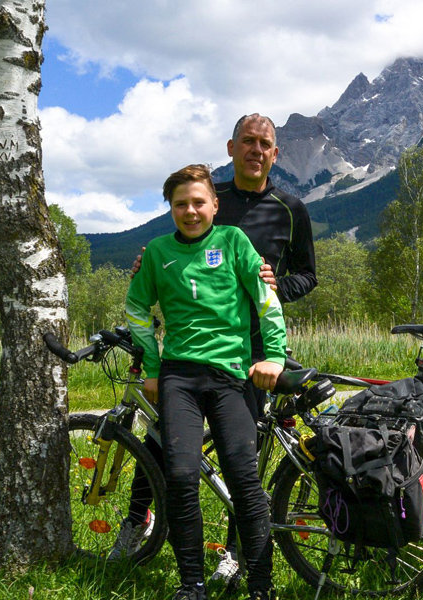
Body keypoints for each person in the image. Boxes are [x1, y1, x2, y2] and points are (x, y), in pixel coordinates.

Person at [114, 114, 317, 586]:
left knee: (244, 467)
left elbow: (306, 275)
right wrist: (154, 261)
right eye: (248, 141)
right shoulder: (209, 197)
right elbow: (177, 247)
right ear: (231, 147)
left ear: (275, 153)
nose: (256, 149)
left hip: (249, 354)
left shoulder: (290, 208)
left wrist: (274, 284)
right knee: (167, 452)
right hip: (185, 360)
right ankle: (142, 525)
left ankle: (237, 558)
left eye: (265, 143)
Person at [126, 163, 284, 600]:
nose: (190, 211)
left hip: (231, 377)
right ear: (170, 209)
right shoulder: (157, 252)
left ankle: (261, 586)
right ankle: (191, 584)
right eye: (181, 204)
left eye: (199, 202)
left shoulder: (234, 241)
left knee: (243, 478)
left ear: (215, 204)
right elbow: (137, 309)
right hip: (178, 377)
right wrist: (154, 368)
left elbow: (266, 299)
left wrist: (273, 355)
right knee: (179, 475)